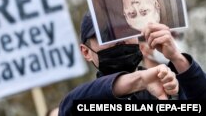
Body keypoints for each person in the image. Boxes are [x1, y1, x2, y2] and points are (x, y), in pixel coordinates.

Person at [58, 11, 206, 116]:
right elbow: (71, 105)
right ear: (86, 52)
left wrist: (177, 57)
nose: (120, 40)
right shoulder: (82, 102)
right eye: (106, 35)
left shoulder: (170, 88)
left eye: (125, 30)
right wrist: (140, 80)